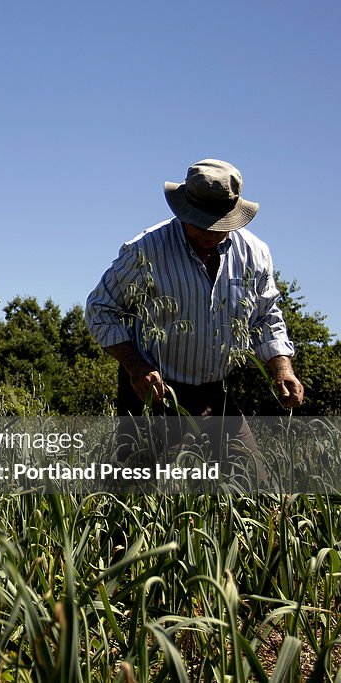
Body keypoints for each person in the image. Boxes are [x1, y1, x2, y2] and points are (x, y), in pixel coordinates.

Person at [85, 159, 303, 471]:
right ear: (183, 209)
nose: (210, 232)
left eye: (219, 224)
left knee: (254, 485)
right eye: (201, 223)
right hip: (156, 394)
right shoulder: (146, 249)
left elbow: (266, 317)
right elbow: (101, 309)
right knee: (140, 494)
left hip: (218, 392)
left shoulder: (254, 253)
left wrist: (282, 369)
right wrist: (135, 366)